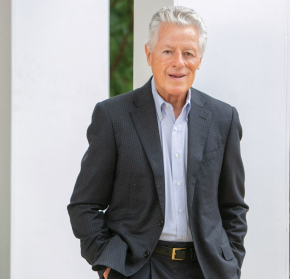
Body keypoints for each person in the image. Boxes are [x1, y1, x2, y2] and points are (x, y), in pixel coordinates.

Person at [67, 6, 248, 279]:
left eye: (188, 53)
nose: (179, 62)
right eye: (167, 51)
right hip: (138, 269)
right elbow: (84, 205)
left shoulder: (223, 118)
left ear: (199, 59)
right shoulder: (114, 116)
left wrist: (230, 261)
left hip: (207, 269)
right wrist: (108, 264)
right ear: (149, 54)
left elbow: (233, 205)